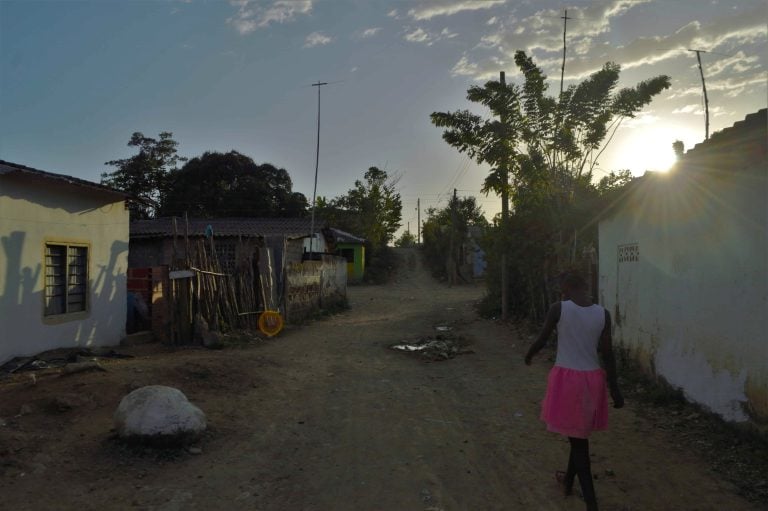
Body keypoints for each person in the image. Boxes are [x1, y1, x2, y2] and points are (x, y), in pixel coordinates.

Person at [524, 272, 624, 511]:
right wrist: (615, 390)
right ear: (585, 287)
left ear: (566, 289)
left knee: (579, 445)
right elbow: (608, 354)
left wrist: (529, 355)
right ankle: (568, 481)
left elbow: (542, 339)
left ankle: (591, 503)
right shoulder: (603, 314)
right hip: (593, 381)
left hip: (568, 381)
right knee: (577, 434)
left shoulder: (559, 308)